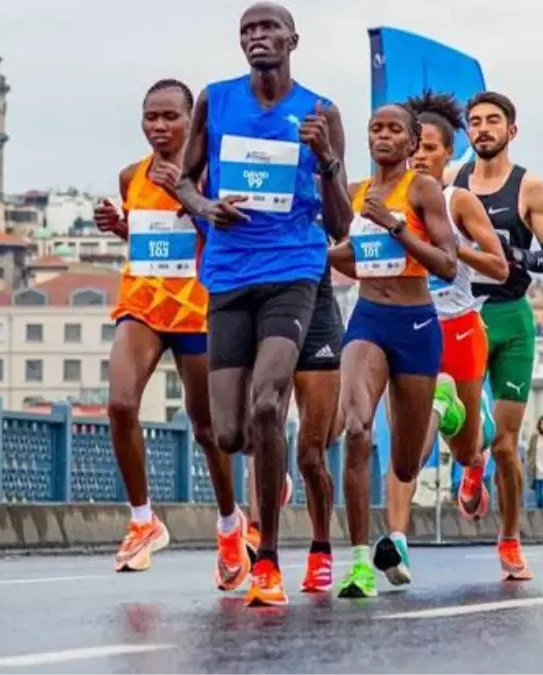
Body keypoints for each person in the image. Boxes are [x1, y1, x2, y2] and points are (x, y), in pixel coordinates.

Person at [173, 2, 353, 606]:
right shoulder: (215, 100)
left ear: (292, 39)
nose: (257, 38)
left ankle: (270, 561)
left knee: (270, 403)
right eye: (247, 30)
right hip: (228, 274)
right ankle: (269, 468)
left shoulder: (321, 111)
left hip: (293, 270)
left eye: (268, 28)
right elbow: (180, 177)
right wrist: (203, 208)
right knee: (229, 433)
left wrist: (327, 159)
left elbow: (339, 223)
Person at [95, 80, 249, 587]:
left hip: (198, 310)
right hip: (142, 304)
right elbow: (149, 237)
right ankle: (143, 520)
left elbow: (225, 232)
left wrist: (180, 191)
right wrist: (117, 226)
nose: (159, 127)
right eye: (150, 118)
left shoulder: (210, 172)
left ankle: (230, 523)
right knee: (119, 404)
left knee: (209, 430)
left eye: (170, 117)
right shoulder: (129, 176)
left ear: (191, 120)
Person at [375, 91, 510, 585]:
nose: (418, 157)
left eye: (429, 148)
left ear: (449, 153)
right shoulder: (386, 198)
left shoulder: (458, 201)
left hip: (460, 328)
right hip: (410, 325)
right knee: (405, 441)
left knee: (466, 446)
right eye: (415, 147)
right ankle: (397, 542)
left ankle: (476, 455)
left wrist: (453, 248)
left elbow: (499, 266)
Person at [328, 102, 458, 598]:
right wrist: (314, 255)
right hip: (368, 320)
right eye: (375, 129)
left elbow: (447, 264)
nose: (383, 136)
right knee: (357, 428)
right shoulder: (356, 193)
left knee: (404, 465)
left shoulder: (423, 190)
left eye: (393, 130)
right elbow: (349, 253)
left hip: (417, 323)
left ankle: (441, 403)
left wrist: (397, 227)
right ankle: (361, 561)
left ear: (410, 142)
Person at [448, 91, 543, 578]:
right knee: (469, 432)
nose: (482, 129)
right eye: (474, 122)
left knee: (506, 445)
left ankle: (511, 539)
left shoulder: (528, 187)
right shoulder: (452, 183)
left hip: (513, 316)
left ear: (511, 130)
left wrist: (515, 259)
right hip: (464, 315)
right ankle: (471, 465)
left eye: (492, 121)